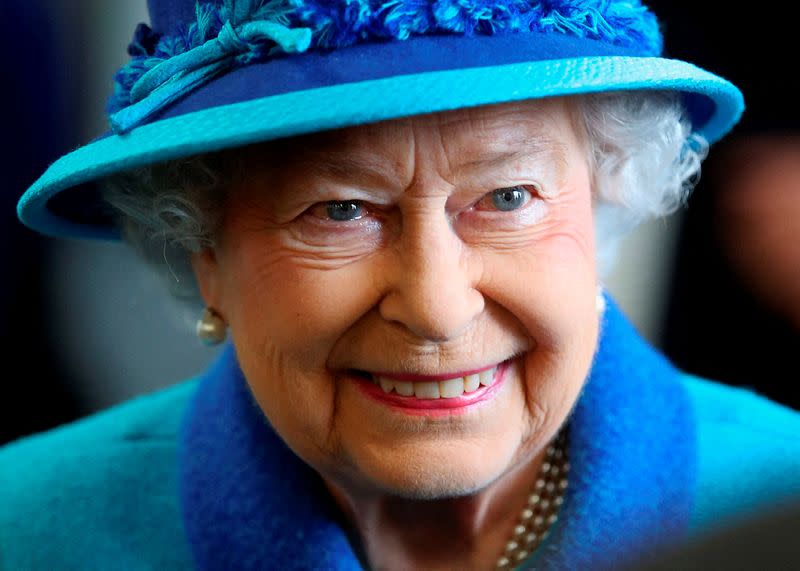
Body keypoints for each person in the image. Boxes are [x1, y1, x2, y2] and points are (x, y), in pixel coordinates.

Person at [2, 1, 799, 569]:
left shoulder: (781, 501)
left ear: (605, 208)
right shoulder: (25, 528)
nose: (436, 306)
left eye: (508, 197)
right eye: (340, 210)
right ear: (206, 253)